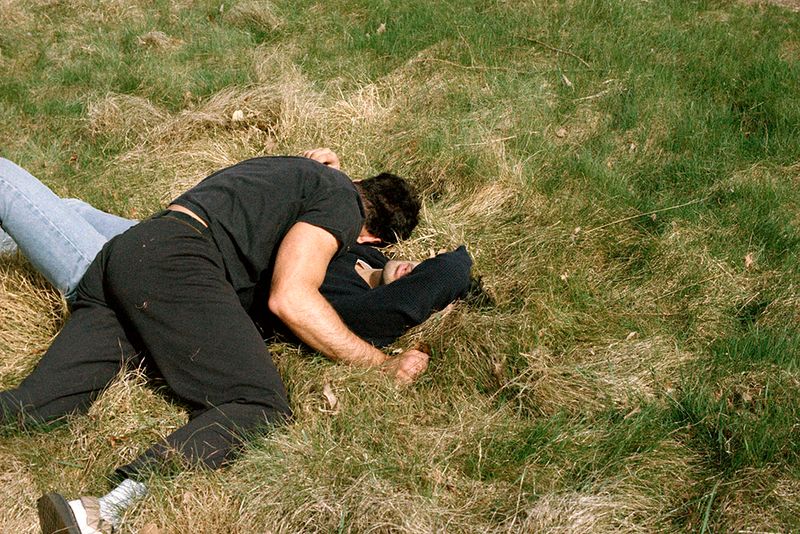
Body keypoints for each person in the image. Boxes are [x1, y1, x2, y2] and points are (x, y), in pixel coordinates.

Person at [0, 153, 432, 534]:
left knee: (37, 408)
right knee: (260, 403)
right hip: (179, 264)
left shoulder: (297, 170)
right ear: (373, 238)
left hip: (129, 254)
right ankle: (102, 513)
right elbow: (291, 298)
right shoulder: (340, 206)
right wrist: (377, 363)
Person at [0, 154, 473, 348]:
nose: (414, 267)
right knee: (68, 208)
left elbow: (430, 282)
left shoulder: (363, 301)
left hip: (164, 277)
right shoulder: (347, 233)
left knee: (12, 190)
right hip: (174, 243)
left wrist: (459, 275)